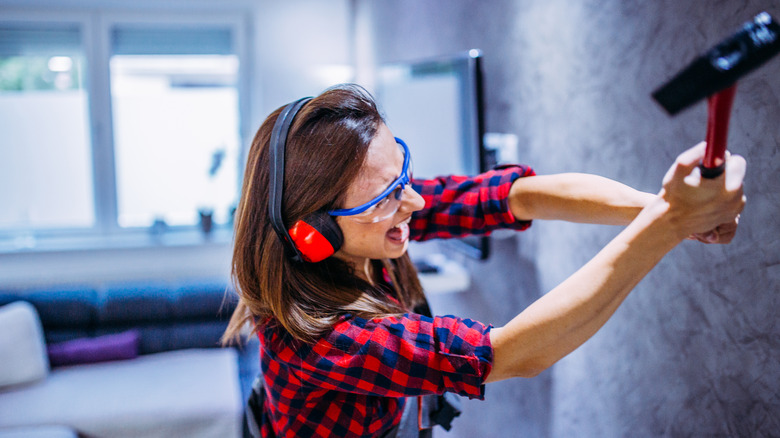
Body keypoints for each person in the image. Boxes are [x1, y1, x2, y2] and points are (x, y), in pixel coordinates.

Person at [222, 84, 745, 438]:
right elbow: (513, 353)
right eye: (385, 198)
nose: (416, 203)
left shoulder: (372, 219)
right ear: (313, 236)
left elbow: (522, 195)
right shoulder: (320, 343)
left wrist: (660, 207)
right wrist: (670, 225)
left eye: (401, 174)